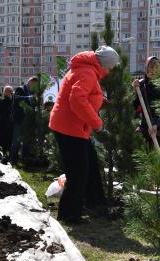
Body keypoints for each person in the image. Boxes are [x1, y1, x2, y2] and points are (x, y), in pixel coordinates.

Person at [49, 46, 120, 224]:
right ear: (104, 64)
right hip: (70, 128)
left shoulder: (86, 69)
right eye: (111, 68)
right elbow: (77, 99)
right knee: (78, 173)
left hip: (71, 126)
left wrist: (101, 101)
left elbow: (85, 94)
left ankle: (95, 204)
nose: (111, 72)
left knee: (90, 165)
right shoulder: (88, 72)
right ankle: (69, 215)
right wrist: (97, 123)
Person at [132, 56, 160, 149]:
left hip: (158, 127)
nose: (154, 70)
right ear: (147, 68)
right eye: (151, 67)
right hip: (145, 128)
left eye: (156, 68)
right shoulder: (141, 85)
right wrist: (135, 92)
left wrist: (156, 124)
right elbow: (135, 108)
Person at [10, 77, 38, 165]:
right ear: (29, 82)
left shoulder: (33, 92)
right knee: (16, 140)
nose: (35, 87)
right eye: (34, 84)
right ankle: (13, 160)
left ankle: (25, 159)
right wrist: (29, 97)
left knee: (27, 141)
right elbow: (18, 99)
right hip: (20, 119)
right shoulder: (20, 89)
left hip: (28, 121)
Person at [0, 86, 14, 164]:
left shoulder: (9, 101)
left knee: (6, 138)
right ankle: (6, 154)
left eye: (8, 91)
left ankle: (6, 154)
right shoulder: (8, 101)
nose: (6, 93)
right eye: (6, 91)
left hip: (6, 123)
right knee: (6, 138)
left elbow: (0, 112)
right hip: (7, 123)